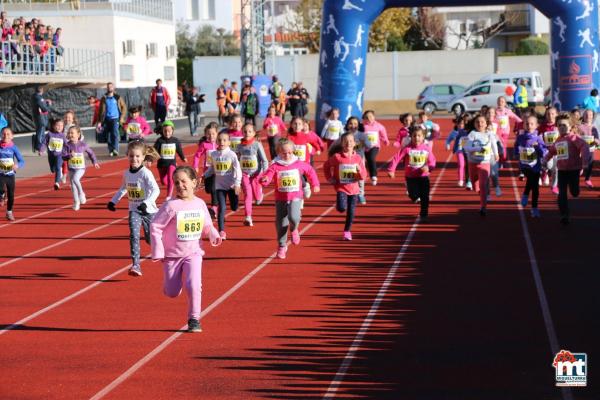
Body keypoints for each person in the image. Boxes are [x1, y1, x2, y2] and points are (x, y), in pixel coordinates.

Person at [150, 166, 222, 333]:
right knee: (172, 292)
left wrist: (213, 234)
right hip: (172, 256)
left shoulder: (200, 203)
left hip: (193, 253)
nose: (180, 185)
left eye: (184, 181)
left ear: (194, 183)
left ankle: (194, 319)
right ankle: (173, 285)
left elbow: (206, 225)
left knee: (194, 285)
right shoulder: (171, 206)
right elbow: (155, 226)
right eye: (177, 182)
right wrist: (158, 251)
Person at [259, 138, 320, 259]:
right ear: (278, 153)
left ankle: (294, 229)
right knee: (281, 223)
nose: (287, 155)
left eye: (289, 152)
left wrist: (315, 184)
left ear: (293, 151)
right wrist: (264, 180)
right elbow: (268, 175)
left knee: (294, 217)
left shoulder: (298, 164)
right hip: (280, 198)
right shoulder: (275, 166)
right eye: (284, 153)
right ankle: (282, 246)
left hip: (295, 197)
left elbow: (310, 171)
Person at [107, 141, 160, 276]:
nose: (134, 159)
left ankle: (162, 248)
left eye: (137, 156)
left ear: (143, 157)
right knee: (134, 236)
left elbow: (156, 190)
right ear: (127, 156)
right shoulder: (127, 173)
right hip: (134, 210)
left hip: (149, 211)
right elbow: (124, 188)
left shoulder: (145, 173)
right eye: (131, 156)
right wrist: (113, 201)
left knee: (150, 239)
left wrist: (146, 203)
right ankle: (136, 265)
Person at [542, 113, 591, 225]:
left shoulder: (574, 138)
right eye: (559, 125)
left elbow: (584, 147)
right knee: (562, 194)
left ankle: (576, 189)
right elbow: (551, 152)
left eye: (564, 125)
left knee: (574, 192)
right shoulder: (558, 140)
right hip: (562, 170)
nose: (562, 127)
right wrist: (544, 161)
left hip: (574, 169)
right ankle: (564, 215)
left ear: (570, 126)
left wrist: (584, 162)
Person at [324, 132, 367, 240]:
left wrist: (359, 171)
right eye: (346, 141)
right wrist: (329, 178)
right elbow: (326, 166)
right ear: (342, 143)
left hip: (354, 189)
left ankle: (347, 231)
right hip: (341, 187)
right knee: (342, 208)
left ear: (355, 143)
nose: (348, 143)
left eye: (351, 141)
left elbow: (364, 176)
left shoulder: (358, 158)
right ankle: (340, 205)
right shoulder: (337, 157)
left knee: (351, 212)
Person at [387, 126, 436, 219]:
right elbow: (396, 158)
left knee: (425, 196)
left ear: (423, 137)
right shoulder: (407, 149)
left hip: (423, 176)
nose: (416, 138)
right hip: (411, 177)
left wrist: (428, 168)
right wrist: (391, 170)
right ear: (411, 137)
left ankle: (424, 213)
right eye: (414, 136)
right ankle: (414, 197)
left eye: (419, 136)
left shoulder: (426, 149)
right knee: (413, 194)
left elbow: (432, 161)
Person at [203, 132, 242, 239]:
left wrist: (237, 183)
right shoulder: (214, 154)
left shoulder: (232, 155)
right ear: (216, 142)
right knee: (222, 208)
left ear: (229, 142)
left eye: (225, 140)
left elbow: (238, 170)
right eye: (219, 140)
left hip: (232, 185)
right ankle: (221, 231)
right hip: (220, 186)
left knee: (234, 207)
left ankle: (235, 204)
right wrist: (204, 175)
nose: (222, 142)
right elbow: (212, 168)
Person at [463, 114, 499, 216]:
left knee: (483, 185)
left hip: (484, 163)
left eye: (482, 122)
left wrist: (496, 154)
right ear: (474, 124)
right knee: (475, 186)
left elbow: (493, 144)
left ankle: (483, 207)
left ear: (486, 123)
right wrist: (474, 149)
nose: (480, 124)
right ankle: (480, 192)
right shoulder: (472, 134)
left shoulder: (490, 134)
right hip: (472, 163)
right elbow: (465, 146)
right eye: (477, 122)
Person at [235, 123, 268, 226]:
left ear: (254, 133)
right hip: (244, 173)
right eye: (245, 131)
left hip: (256, 174)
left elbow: (265, 161)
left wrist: (265, 174)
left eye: (250, 131)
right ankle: (248, 217)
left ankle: (260, 194)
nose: (247, 133)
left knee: (257, 199)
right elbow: (236, 160)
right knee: (247, 195)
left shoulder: (257, 144)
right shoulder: (239, 146)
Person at [514, 115, 546, 218]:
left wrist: (538, 147)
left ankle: (534, 207)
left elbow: (543, 152)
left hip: (535, 166)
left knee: (535, 186)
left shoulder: (538, 138)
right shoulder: (520, 137)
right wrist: (517, 152)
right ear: (523, 125)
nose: (529, 126)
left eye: (532, 124)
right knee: (532, 181)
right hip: (524, 166)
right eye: (527, 123)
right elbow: (516, 146)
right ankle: (527, 196)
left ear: (536, 125)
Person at [61, 125, 100, 210]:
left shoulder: (83, 145)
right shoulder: (67, 145)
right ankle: (76, 202)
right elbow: (63, 156)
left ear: (78, 134)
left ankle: (82, 194)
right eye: (69, 133)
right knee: (73, 186)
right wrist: (69, 155)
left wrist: (94, 162)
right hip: (71, 168)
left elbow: (91, 153)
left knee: (76, 179)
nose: (70, 135)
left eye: (72, 133)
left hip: (80, 168)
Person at [154, 120, 187, 200]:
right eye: (165, 131)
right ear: (162, 131)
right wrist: (150, 159)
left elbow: (179, 150)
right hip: (161, 164)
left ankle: (168, 196)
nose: (167, 133)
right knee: (163, 181)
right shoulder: (159, 141)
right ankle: (168, 186)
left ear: (172, 131)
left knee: (170, 179)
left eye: (169, 131)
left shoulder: (175, 141)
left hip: (171, 163)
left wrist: (183, 157)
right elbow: (154, 151)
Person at [192, 122, 219, 218]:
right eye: (209, 134)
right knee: (208, 189)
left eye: (213, 134)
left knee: (213, 189)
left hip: (217, 171)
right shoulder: (204, 145)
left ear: (217, 134)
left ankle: (214, 208)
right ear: (206, 134)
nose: (211, 136)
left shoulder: (220, 144)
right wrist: (195, 166)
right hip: (207, 171)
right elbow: (197, 155)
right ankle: (216, 204)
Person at [0, 127, 25, 221]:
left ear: (12, 136)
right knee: (0, 187)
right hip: (0, 174)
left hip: (10, 174)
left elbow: (22, 161)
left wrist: (17, 166)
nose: (5, 136)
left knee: (11, 195)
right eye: (3, 134)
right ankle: (1, 195)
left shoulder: (13, 148)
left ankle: (9, 211)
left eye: (8, 134)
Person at [98, 82, 127, 156]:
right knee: (108, 135)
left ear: (113, 88)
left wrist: (122, 117)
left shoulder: (118, 97)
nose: (109, 88)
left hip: (115, 118)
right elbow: (101, 110)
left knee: (115, 133)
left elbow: (124, 107)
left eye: (111, 86)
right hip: (106, 119)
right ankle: (111, 150)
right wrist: (99, 121)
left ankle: (116, 149)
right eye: (108, 87)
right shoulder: (104, 98)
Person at [361, 110, 389, 186]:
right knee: (367, 161)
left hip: (375, 146)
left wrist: (385, 140)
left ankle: (374, 176)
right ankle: (365, 175)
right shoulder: (362, 126)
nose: (369, 118)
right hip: (365, 147)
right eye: (367, 117)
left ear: (374, 117)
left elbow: (383, 133)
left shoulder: (378, 126)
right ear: (364, 118)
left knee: (371, 158)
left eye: (370, 116)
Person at [445, 114, 471, 188]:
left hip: (468, 151)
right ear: (457, 124)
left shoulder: (468, 131)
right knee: (461, 165)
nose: (460, 125)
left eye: (462, 123)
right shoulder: (454, 132)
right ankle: (460, 180)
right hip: (459, 151)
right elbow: (448, 139)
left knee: (468, 165)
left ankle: (469, 181)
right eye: (459, 123)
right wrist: (447, 144)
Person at [495, 96, 521, 166]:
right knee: (497, 147)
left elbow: (516, 118)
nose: (500, 103)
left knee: (503, 146)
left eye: (502, 101)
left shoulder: (507, 111)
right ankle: (500, 160)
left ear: (505, 103)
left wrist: (523, 123)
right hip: (497, 133)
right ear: (497, 103)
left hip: (505, 132)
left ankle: (503, 161)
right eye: (499, 101)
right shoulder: (495, 111)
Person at [539, 107, 560, 193]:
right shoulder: (542, 126)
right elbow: (537, 136)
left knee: (556, 169)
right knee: (548, 165)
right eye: (548, 114)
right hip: (547, 151)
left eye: (552, 114)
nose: (550, 116)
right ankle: (544, 171)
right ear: (546, 116)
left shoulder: (559, 125)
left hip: (558, 151)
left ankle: (554, 186)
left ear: (556, 115)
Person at [577, 108, 599, 188]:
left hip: (590, 149)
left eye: (590, 114)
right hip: (580, 149)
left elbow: (597, 139)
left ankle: (587, 179)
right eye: (586, 114)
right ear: (583, 116)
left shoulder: (594, 128)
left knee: (590, 162)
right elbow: (576, 136)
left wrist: (595, 141)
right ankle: (577, 174)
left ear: (592, 117)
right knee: (579, 162)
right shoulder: (579, 126)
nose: (588, 116)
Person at [43, 117, 65, 190]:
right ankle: (59, 171)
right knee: (53, 170)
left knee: (58, 167)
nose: (59, 127)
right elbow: (44, 142)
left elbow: (67, 145)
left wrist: (70, 151)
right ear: (53, 126)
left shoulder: (63, 136)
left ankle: (57, 183)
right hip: (51, 155)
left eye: (61, 126)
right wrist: (41, 149)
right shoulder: (49, 134)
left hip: (60, 155)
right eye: (57, 125)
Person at [31, 85, 52, 154]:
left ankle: (39, 147)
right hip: (40, 117)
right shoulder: (38, 97)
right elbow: (43, 107)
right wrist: (49, 105)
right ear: (42, 90)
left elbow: (41, 104)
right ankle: (39, 147)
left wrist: (45, 102)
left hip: (39, 117)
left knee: (40, 131)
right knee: (41, 132)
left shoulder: (35, 97)